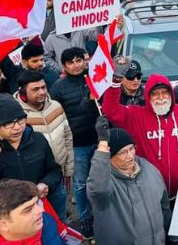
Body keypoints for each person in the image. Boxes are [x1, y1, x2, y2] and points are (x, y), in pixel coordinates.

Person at [0, 94, 64, 222]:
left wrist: (46, 184)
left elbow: (54, 170)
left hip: (43, 209)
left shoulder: (38, 139)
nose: (17, 127)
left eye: (21, 120)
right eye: (9, 123)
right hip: (10, 220)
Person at [102, 73, 178, 198]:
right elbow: (110, 110)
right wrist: (115, 83)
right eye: (155, 94)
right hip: (150, 194)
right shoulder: (136, 115)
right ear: (148, 96)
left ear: (171, 94)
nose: (161, 97)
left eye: (165, 92)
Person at [86, 125, 171, 245]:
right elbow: (97, 190)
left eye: (131, 148)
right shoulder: (104, 182)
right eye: (123, 152)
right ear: (109, 157)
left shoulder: (149, 169)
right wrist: (103, 146)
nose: (131, 156)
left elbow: (164, 206)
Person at [48, 46, 98, 239]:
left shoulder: (95, 78)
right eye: (71, 62)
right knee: (80, 183)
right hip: (78, 143)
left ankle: (102, 214)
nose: (76, 65)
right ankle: (85, 218)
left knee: (103, 180)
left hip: (100, 139)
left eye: (79, 60)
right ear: (64, 66)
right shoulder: (58, 88)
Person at [15, 71, 73, 221]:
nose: (42, 92)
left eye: (43, 87)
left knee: (60, 224)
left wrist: (68, 170)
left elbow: (67, 137)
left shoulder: (56, 106)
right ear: (23, 93)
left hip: (57, 180)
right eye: (35, 89)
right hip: (30, 189)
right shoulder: (16, 116)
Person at [0, 179, 64, 244]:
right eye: (28, 209)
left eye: (36, 203)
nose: (40, 210)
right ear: (3, 225)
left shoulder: (44, 220)